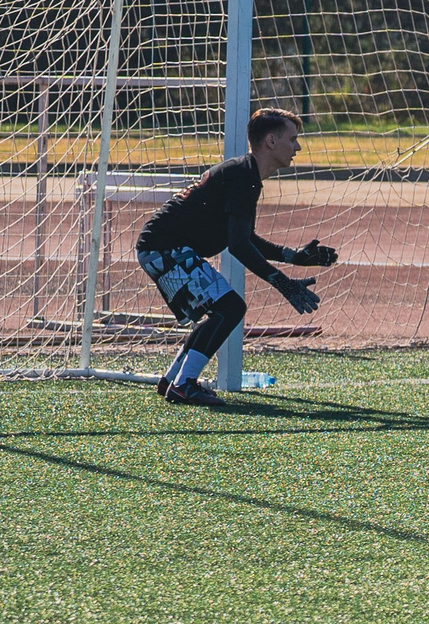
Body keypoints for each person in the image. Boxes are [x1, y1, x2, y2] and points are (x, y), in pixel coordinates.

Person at [133, 108, 338, 406]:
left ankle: (174, 380)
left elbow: (243, 237)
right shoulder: (244, 177)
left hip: (160, 247)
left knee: (223, 308)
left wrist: (293, 257)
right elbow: (239, 246)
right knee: (230, 307)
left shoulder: (245, 174)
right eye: (292, 139)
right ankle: (185, 384)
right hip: (164, 247)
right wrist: (285, 284)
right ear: (271, 141)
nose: (298, 147)